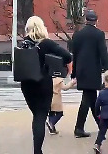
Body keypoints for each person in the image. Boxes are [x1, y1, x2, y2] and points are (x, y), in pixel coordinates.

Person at [20, 16, 72, 154]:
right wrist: (54, 63)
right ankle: (38, 151)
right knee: (41, 116)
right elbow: (67, 56)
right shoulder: (47, 43)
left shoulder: (23, 44)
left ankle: (38, 150)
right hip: (43, 83)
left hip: (27, 84)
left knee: (36, 115)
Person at [71, 10, 108, 138]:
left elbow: (75, 55)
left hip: (81, 71)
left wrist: (74, 73)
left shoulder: (78, 35)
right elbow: (103, 53)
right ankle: (79, 128)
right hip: (93, 72)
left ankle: (100, 125)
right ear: (96, 21)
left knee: (92, 99)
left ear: (85, 20)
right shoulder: (99, 34)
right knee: (87, 99)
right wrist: (107, 70)